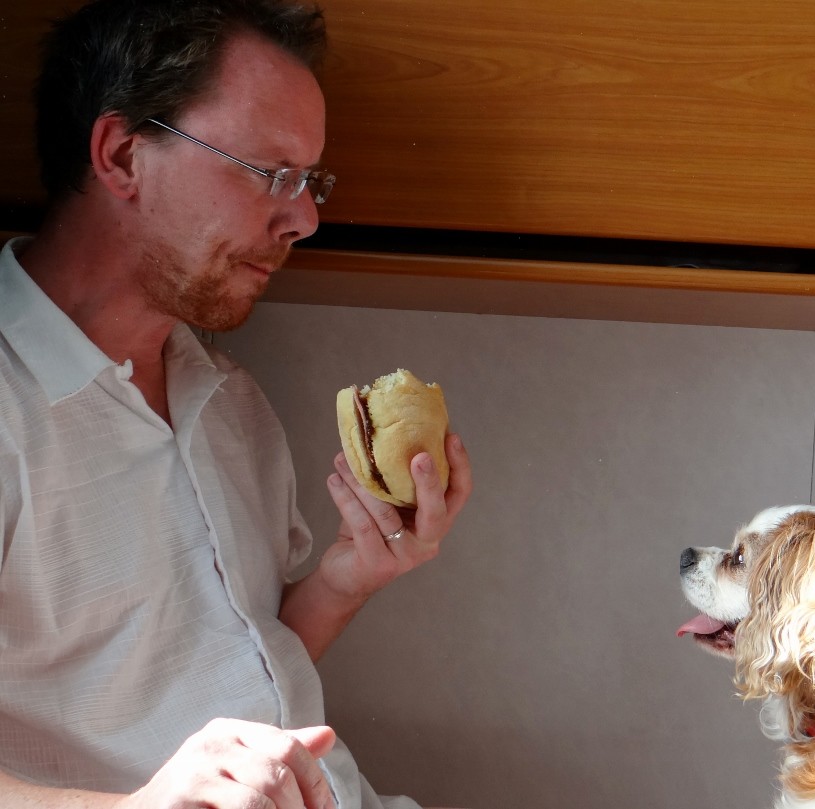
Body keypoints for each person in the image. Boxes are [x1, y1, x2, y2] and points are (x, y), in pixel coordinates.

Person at [0, 1, 472, 807]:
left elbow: (226, 664)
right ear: (122, 155)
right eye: (270, 173)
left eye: (311, 181)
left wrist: (347, 577)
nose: (306, 218)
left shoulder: (230, 399)